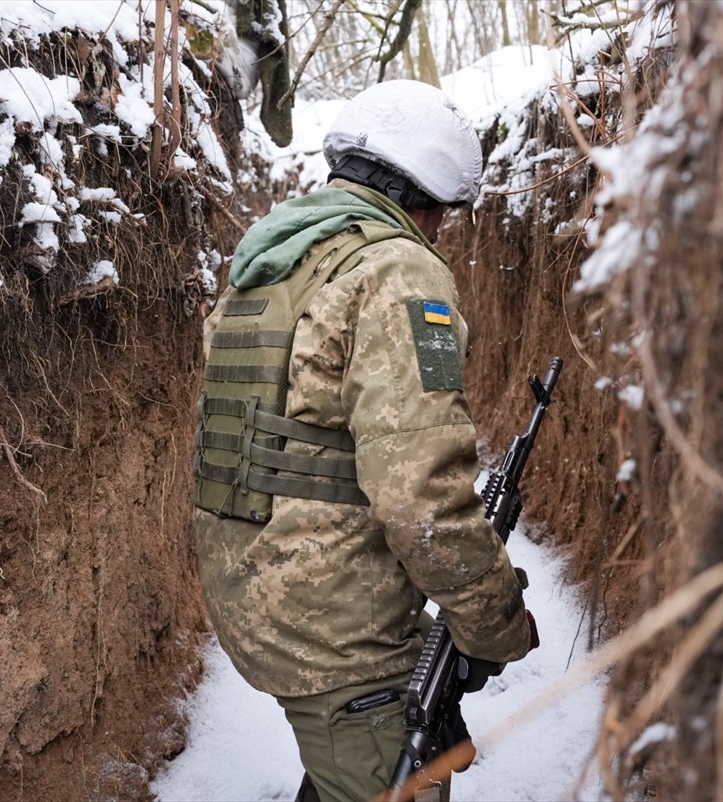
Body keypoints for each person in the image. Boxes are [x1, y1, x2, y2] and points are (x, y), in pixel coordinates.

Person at [192, 79, 537, 802]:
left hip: (254, 592)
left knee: (344, 770)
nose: (441, 228)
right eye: (443, 212)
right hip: (336, 628)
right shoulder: (399, 271)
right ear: (430, 193)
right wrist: (495, 620)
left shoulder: (278, 260)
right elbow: (423, 495)